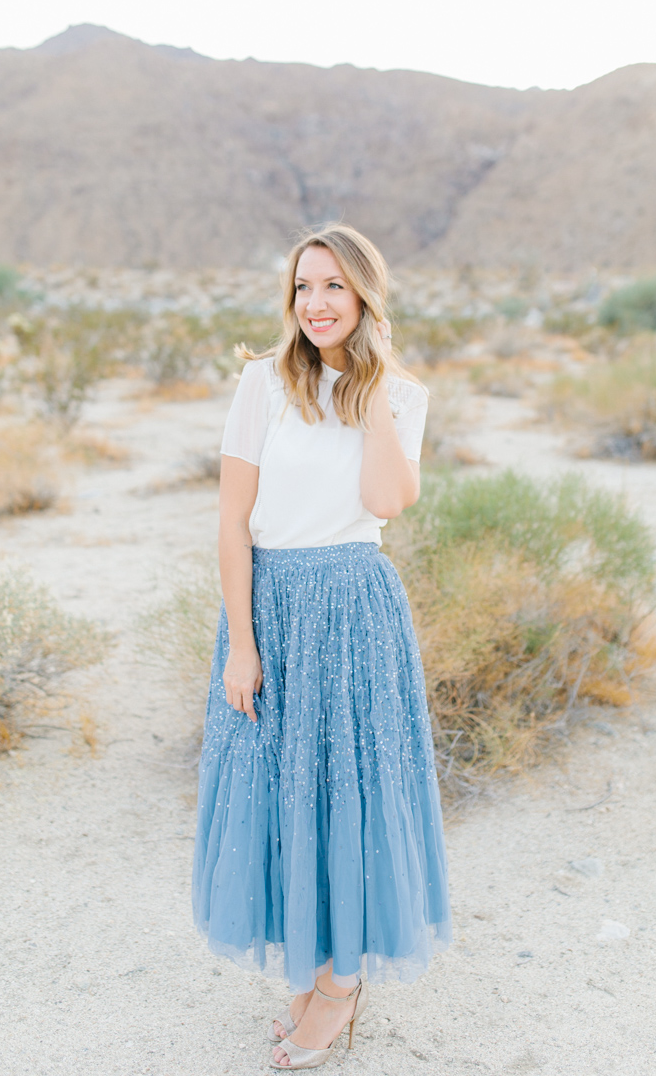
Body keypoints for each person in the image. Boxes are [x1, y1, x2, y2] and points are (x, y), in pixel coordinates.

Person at [192, 223, 451, 1070]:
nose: (315, 304)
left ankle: (338, 986)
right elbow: (232, 522)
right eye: (303, 287)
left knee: (353, 789)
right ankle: (310, 969)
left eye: (334, 286)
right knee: (279, 789)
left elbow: (384, 497)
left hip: (355, 608)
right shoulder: (262, 382)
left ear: (366, 296)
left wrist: (371, 388)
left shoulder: (404, 396)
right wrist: (241, 644)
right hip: (270, 603)